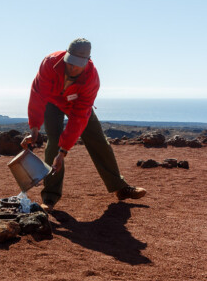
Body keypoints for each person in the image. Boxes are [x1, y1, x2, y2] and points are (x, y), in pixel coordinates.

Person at [21, 38, 146, 211]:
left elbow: (79, 117)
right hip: (53, 102)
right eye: (70, 63)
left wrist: (63, 152)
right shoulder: (50, 63)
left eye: (78, 64)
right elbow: (37, 94)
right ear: (66, 55)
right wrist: (34, 127)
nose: (73, 68)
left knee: (99, 141)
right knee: (53, 144)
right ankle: (50, 197)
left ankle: (120, 187)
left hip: (77, 106)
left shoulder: (91, 79)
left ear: (87, 61)